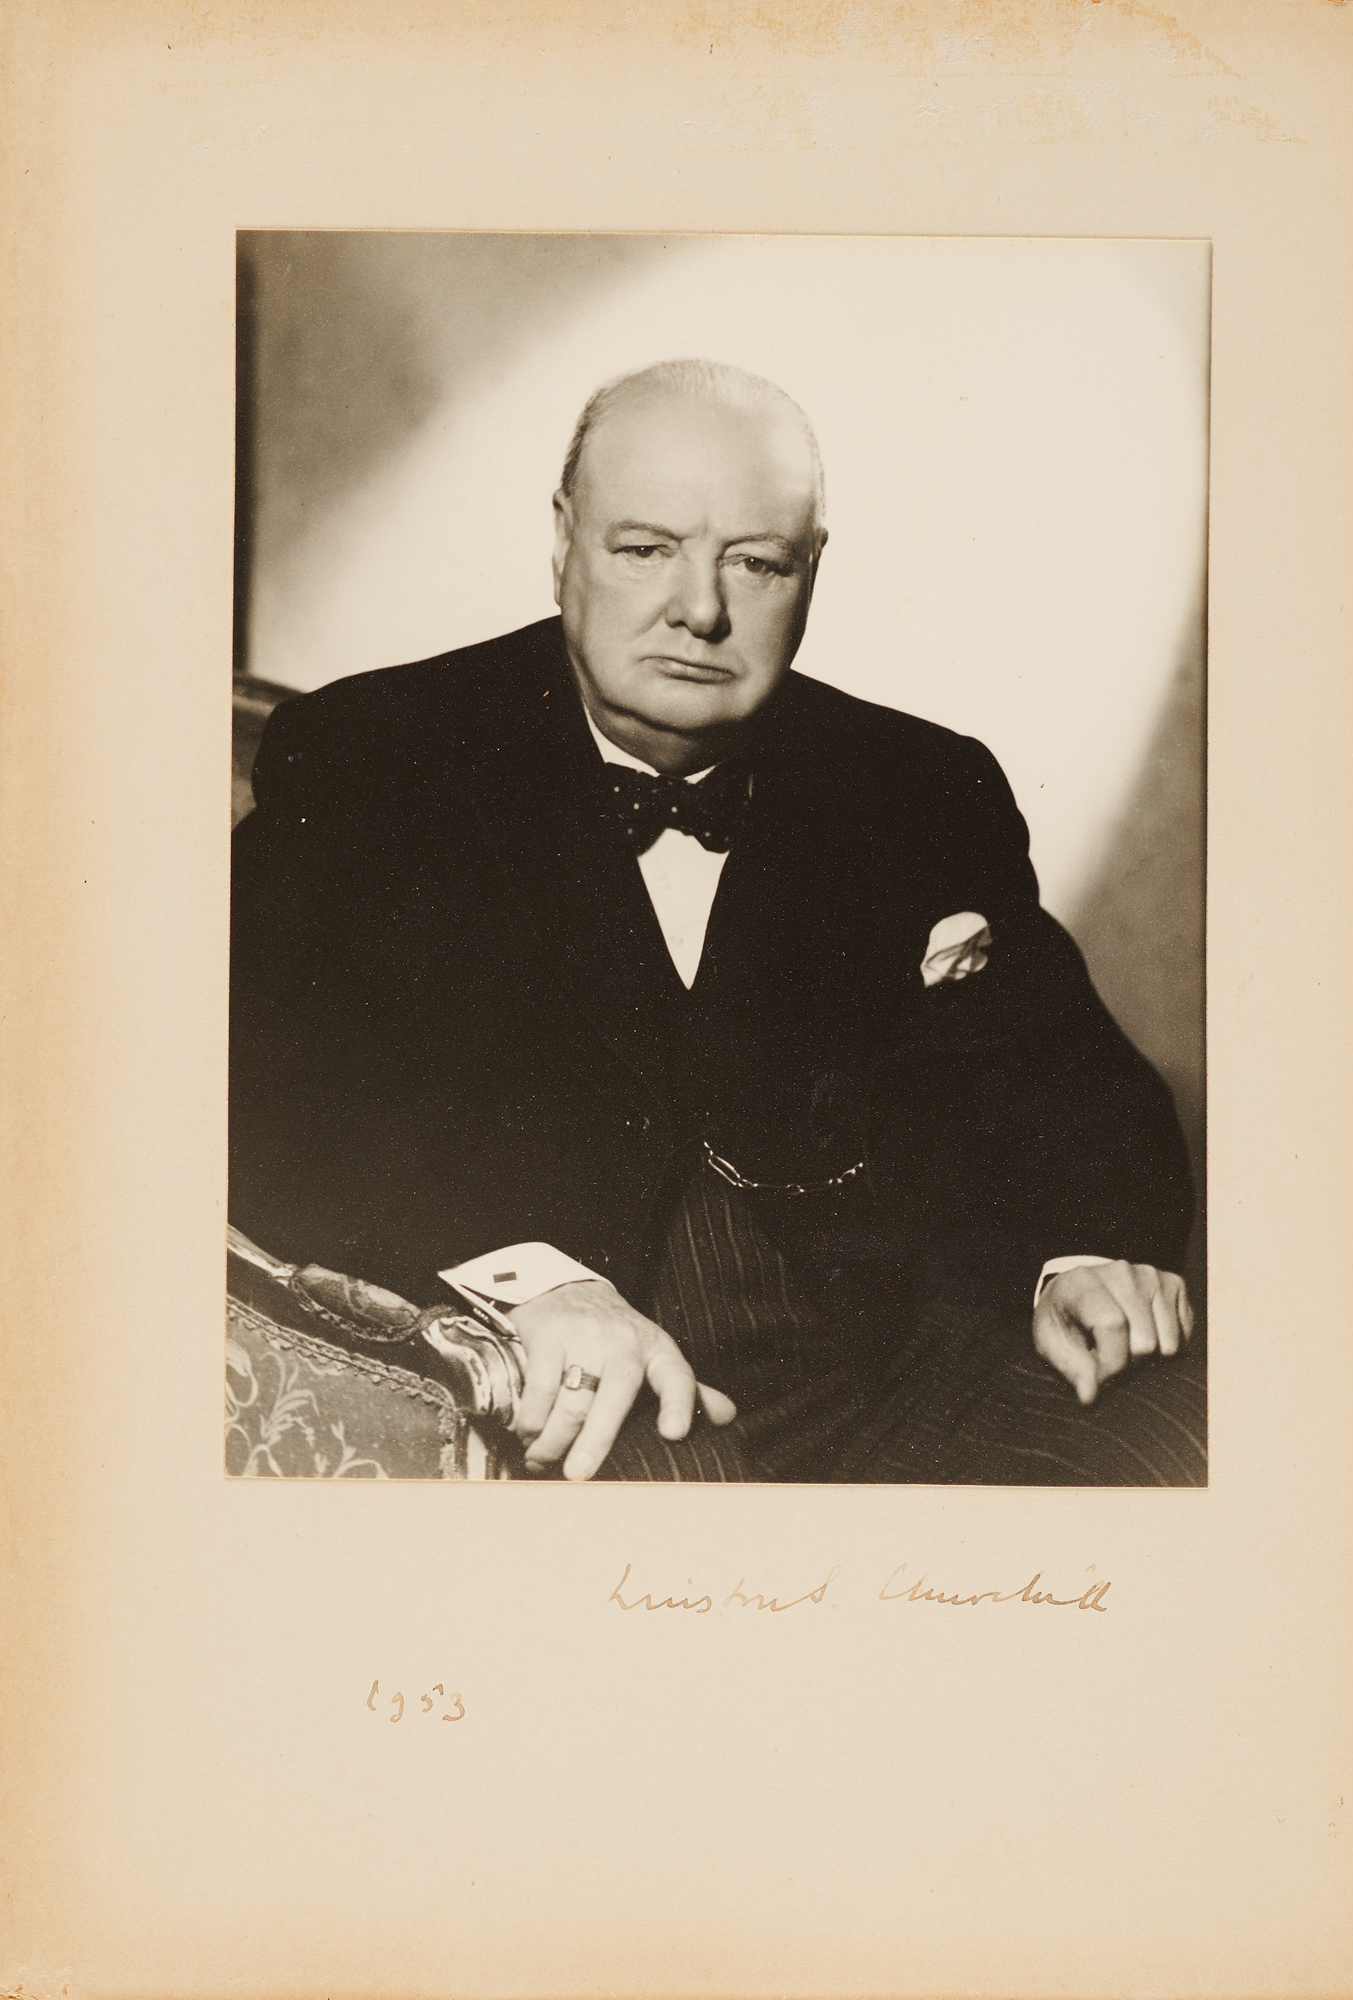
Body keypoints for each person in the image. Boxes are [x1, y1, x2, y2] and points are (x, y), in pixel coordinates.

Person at [230, 358, 1199, 1485]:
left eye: (757, 562)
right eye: (646, 550)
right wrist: (523, 1284)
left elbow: (1073, 1076)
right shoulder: (373, 752)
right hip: (590, 1372)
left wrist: (1079, 1255)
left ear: (812, 570)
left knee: (1192, 1440)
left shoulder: (924, 782)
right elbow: (255, 1094)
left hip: (896, 1363)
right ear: (563, 538)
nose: (701, 610)